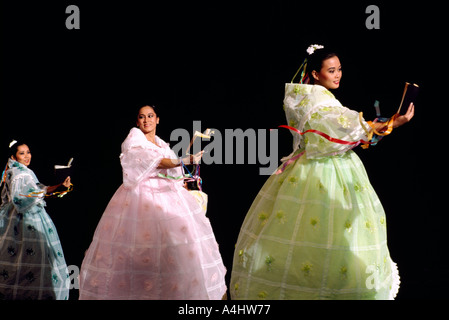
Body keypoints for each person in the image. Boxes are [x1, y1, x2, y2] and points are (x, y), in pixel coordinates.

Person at [230, 45, 414, 300]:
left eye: (339, 69)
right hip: (323, 171)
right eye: (331, 70)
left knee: (317, 237)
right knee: (328, 234)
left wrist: (378, 127)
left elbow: (345, 131)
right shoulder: (318, 100)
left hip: (309, 166)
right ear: (315, 74)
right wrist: (393, 123)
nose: (337, 75)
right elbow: (342, 127)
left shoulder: (302, 95)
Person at [79, 105, 227, 300]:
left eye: (150, 116)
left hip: (167, 194)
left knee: (178, 244)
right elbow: (156, 161)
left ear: (158, 119)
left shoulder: (162, 144)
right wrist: (183, 159)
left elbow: (172, 167)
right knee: (141, 245)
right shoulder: (134, 138)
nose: (146, 120)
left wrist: (185, 160)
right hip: (142, 196)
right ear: (137, 121)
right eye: (142, 117)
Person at [0, 140, 71, 300]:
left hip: (25, 215)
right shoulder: (19, 173)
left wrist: (58, 188)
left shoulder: (20, 171)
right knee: (30, 256)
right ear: (13, 156)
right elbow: (26, 195)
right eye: (22, 153)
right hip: (23, 219)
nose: (27, 156)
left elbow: (37, 189)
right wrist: (57, 188)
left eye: (28, 152)